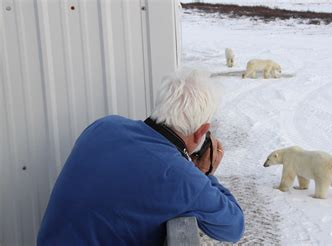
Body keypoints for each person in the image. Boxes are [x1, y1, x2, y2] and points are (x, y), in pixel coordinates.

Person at [37, 69, 245, 245]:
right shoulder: (182, 177)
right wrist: (204, 173)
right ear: (201, 132)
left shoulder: (104, 126)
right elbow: (233, 228)